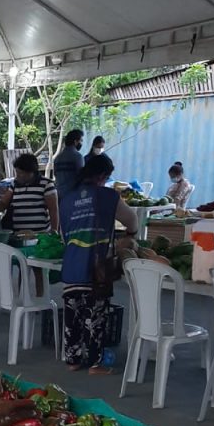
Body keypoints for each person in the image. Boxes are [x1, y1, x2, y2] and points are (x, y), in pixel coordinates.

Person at [59, 153, 138, 374]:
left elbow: (63, 234)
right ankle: (96, 363)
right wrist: (130, 235)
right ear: (103, 175)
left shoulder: (67, 199)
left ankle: (73, 360)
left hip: (72, 264)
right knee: (95, 315)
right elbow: (132, 219)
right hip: (97, 267)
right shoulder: (107, 196)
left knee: (72, 316)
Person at [0, 154, 58, 235]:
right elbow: (3, 203)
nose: (17, 175)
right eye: (17, 172)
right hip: (18, 235)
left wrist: (54, 231)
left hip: (40, 236)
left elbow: (53, 210)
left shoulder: (46, 184)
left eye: (20, 173)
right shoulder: (14, 184)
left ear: (31, 172)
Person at [54, 129, 84, 196]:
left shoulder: (57, 158)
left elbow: (56, 175)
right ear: (75, 141)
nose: (82, 143)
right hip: (73, 195)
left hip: (59, 195)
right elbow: (81, 177)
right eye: (81, 140)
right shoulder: (78, 157)